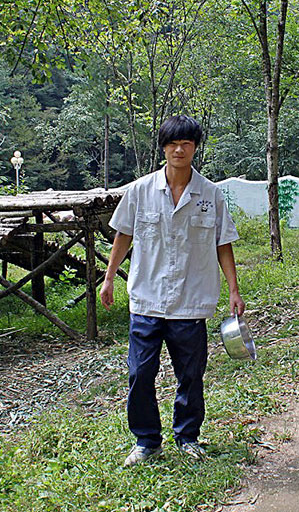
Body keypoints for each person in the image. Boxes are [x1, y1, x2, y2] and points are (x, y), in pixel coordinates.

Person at [100, 115, 246, 467]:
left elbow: (222, 243)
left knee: (191, 375)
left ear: (195, 147)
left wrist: (233, 290)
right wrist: (108, 277)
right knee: (139, 373)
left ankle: (188, 437)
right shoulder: (139, 191)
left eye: (186, 143)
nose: (178, 150)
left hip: (191, 302)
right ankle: (147, 441)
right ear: (163, 147)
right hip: (147, 299)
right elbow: (123, 235)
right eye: (172, 144)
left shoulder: (210, 195)